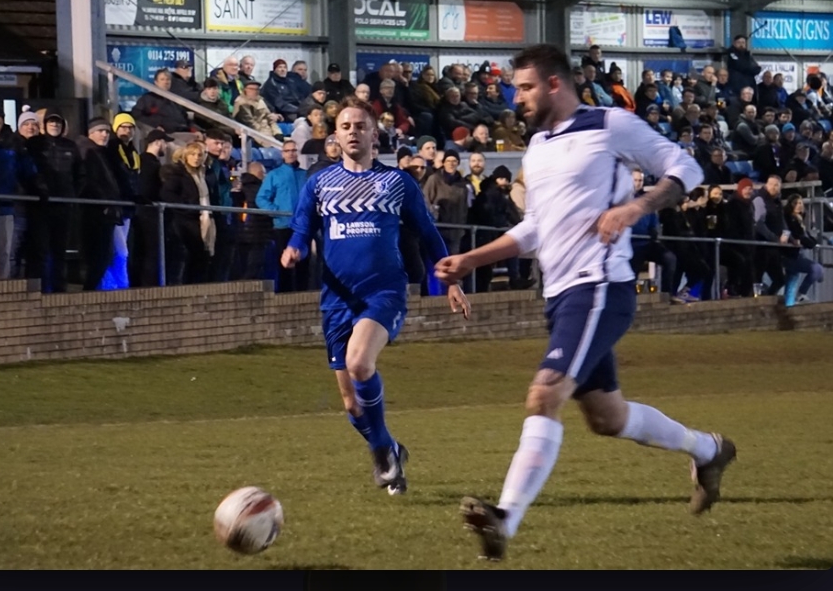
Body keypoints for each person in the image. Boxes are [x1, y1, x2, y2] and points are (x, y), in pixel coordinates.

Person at [434, 45, 737, 561]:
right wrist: (470, 260)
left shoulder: (610, 124)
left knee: (544, 394)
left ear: (555, 84)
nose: (516, 98)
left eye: (525, 87)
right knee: (607, 417)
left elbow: (685, 167)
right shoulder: (537, 147)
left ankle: (505, 519)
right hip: (560, 296)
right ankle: (709, 449)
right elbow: (535, 228)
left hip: (598, 287)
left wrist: (635, 208)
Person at [280, 96, 470, 496]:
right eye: (346, 126)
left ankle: (382, 453)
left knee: (360, 362)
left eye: (360, 126)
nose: (353, 132)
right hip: (337, 299)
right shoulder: (319, 183)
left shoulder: (397, 183)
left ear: (374, 135)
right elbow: (302, 227)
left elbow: (428, 233)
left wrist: (451, 280)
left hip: (384, 292)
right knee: (352, 405)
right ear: (335, 136)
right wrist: (295, 248)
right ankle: (390, 448)